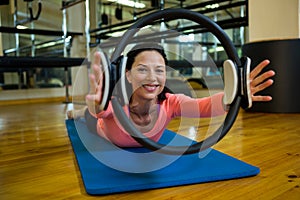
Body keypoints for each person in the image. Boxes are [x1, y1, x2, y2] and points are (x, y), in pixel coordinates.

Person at [69, 43, 275, 147]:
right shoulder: (116, 101)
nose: (153, 78)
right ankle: (77, 112)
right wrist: (96, 105)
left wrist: (233, 96)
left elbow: (202, 105)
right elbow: (101, 110)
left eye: (159, 70)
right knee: (85, 116)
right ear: (128, 75)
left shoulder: (170, 103)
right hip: (101, 129)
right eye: (142, 69)